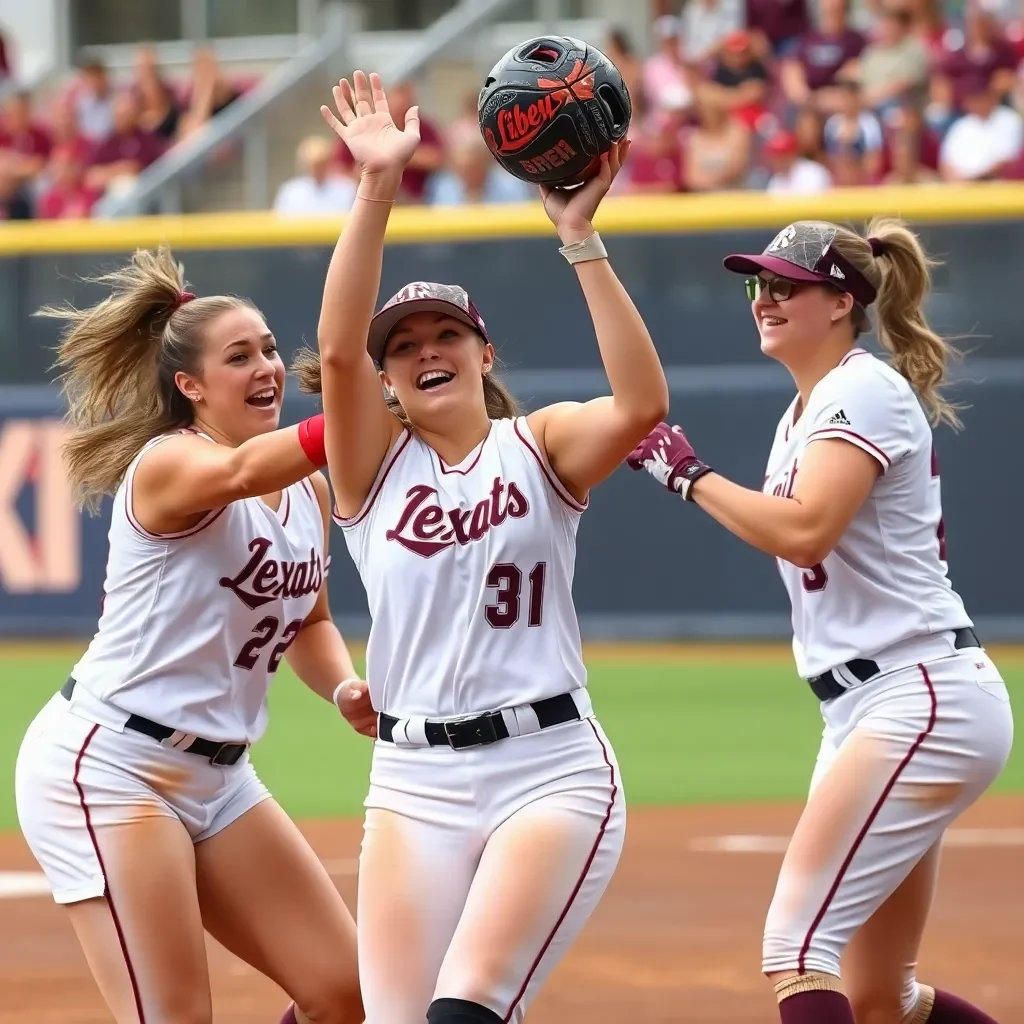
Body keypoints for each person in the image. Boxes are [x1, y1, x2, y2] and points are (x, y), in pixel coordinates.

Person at [302, 71, 669, 1024]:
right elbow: (336, 349)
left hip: (545, 769)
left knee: (464, 1013)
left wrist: (580, 240)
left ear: (483, 352)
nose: (426, 349)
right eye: (406, 343)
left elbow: (639, 406)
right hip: (411, 780)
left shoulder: (541, 445)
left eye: (447, 334)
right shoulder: (368, 475)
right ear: (386, 377)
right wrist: (377, 183)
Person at [626, 218, 1013, 1024]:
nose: (763, 300)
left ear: (841, 301)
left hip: (918, 696)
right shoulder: (802, 411)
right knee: (881, 998)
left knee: (797, 950)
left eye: (784, 286)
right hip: (873, 706)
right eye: (756, 286)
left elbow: (805, 529)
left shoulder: (859, 387)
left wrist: (688, 475)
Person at [14, 246, 365, 1024]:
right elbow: (243, 476)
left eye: (270, 348)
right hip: (111, 769)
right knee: (174, 1016)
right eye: (239, 356)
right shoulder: (170, 463)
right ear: (191, 386)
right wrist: (355, 411)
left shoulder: (305, 488)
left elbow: (310, 620)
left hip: (221, 778)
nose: (267, 366)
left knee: (346, 993)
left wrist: (342, 683)